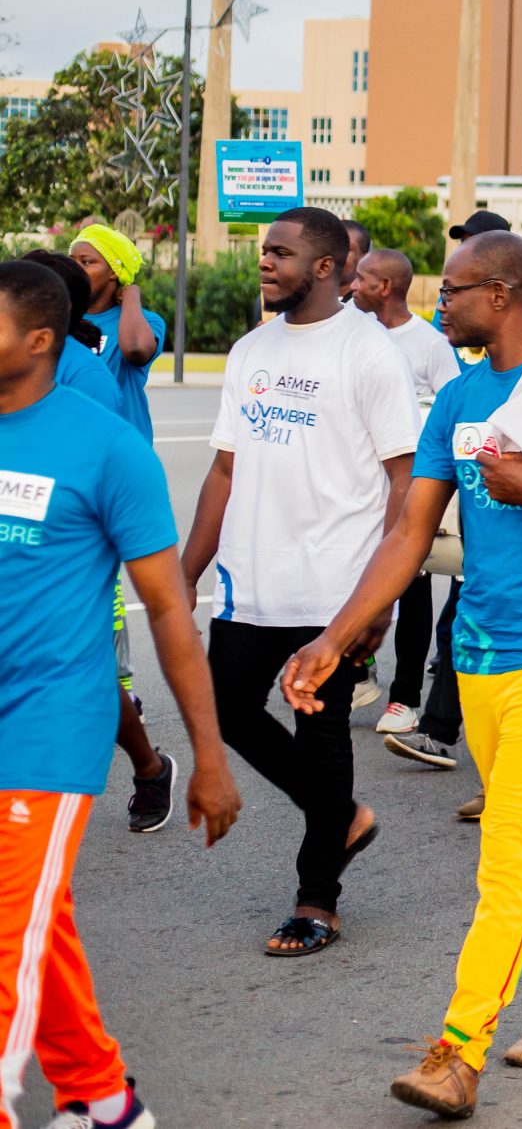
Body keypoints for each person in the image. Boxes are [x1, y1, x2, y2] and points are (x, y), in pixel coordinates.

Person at [280, 231, 522, 1118]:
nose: (439, 305)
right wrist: (337, 636)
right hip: (480, 651)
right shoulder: (457, 397)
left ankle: (459, 1051)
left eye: (451, 291)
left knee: (507, 853)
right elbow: (411, 533)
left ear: (500, 294)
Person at [0, 258, 242, 1129]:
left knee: (4, 938)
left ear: (39, 339)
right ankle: (105, 1100)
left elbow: (170, 610)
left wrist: (208, 756)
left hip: (49, 722)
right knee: (37, 916)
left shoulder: (107, 448)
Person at [178, 208, 416, 957]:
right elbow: (224, 471)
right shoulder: (250, 350)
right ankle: (341, 816)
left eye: (280, 252)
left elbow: (404, 482)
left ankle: (317, 899)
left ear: (325, 266)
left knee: (321, 736)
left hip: (337, 589)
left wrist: (379, 598)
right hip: (250, 580)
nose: (265, 262)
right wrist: (186, 573)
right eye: (264, 251)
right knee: (224, 709)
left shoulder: (369, 353)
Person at [20, 249, 174, 832]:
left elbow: (94, 465)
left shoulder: (84, 374)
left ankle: (148, 767)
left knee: (89, 677)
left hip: (64, 554)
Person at [352, 246, 461, 738]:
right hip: (360, 483)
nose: (354, 286)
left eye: (362, 279)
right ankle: (357, 674)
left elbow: (453, 407)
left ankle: (405, 698)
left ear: (386, 287)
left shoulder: (429, 343)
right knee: (355, 577)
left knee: (411, 584)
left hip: (410, 481)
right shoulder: (352, 333)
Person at [66, 223, 165, 442]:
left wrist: (131, 293)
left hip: (121, 446)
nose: (75, 269)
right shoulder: (60, 319)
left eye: (86, 262)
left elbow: (136, 349)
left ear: (113, 271)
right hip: (72, 442)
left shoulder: (146, 322)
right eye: (71, 261)